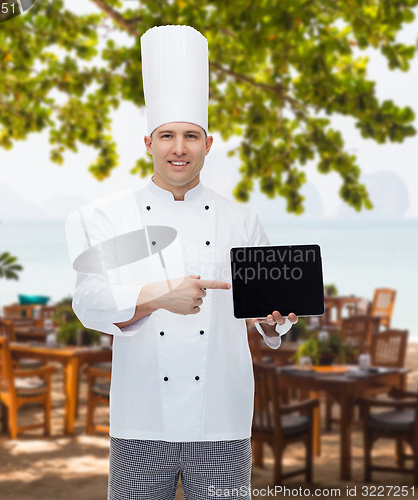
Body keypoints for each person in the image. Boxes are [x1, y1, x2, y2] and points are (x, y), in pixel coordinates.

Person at [72, 25, 298, 500]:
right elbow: (88, 301)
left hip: (222, 418)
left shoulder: (241, 218)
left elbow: (264, 316)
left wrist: (274, 323)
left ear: (208, 144)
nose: (180, 148)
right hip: (140, 420)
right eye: (168, 135)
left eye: (191, 136)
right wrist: (159, 296)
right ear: (148, 143)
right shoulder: (115, 217)